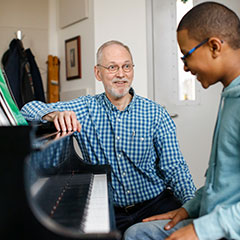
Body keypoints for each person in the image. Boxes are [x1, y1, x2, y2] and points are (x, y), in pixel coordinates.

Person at [21, 40, 196, 234]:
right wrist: (53, 114)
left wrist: (191, 205)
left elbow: (175, 167)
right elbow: (26, 109)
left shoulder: (156, 114)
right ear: (98, 73)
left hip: (156, 204)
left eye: (126, 66)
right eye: (112, 67)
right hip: (110, 211)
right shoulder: (84, 108)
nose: (121, 74)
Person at [124, 2, 240, 240]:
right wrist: (190, 207)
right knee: (138, 233)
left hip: (226, 227)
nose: (185, 67)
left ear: (215, 46)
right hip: (210, 217)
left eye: (187, 56)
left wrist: (200, 230)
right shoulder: (230, 95)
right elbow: (222, 180)